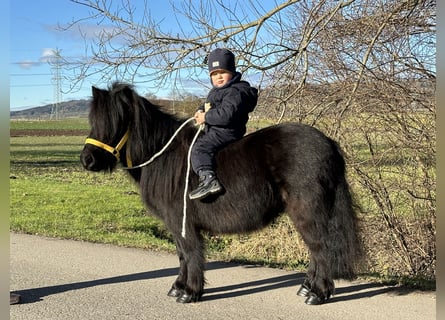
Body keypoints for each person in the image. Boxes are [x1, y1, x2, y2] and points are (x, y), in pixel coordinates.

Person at [189, 48, 258, 200]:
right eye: (214, 74)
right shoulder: (217, 91)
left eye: (222, 72)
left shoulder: (235, 92)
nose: (218, 77)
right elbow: (209, 104)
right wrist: (200, 111)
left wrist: (206, 117)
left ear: (232, 71)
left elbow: (226, 115)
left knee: (200, 148)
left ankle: (208, 179)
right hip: (216, 129)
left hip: (226, 131)